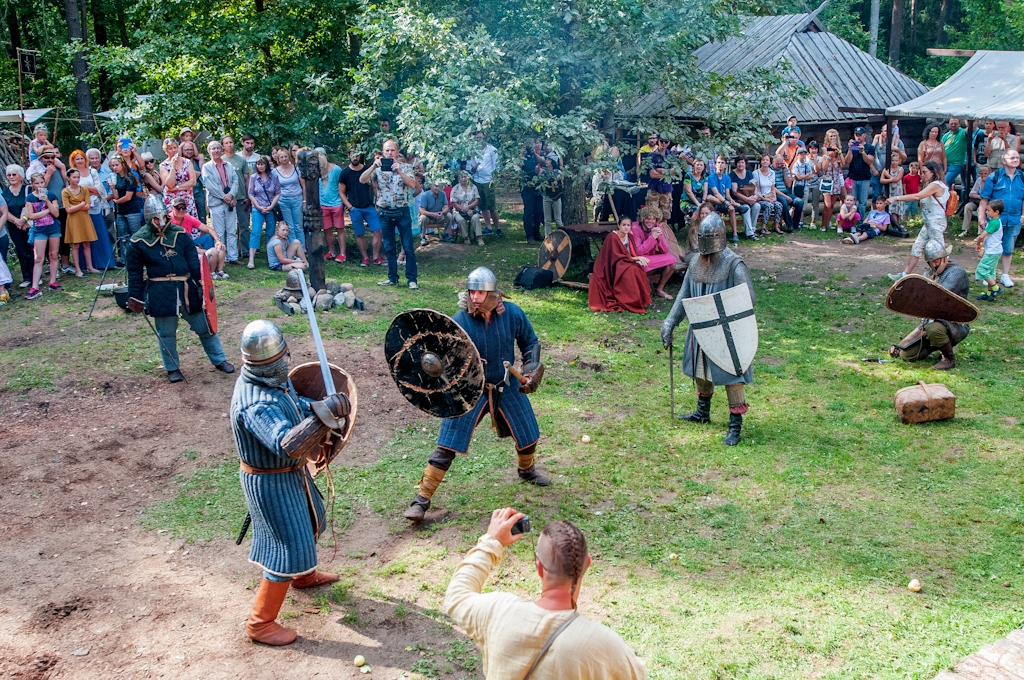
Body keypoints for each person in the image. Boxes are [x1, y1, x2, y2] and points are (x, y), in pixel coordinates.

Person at [232, 319, 349, 646]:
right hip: (270, 482)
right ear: (259, 364)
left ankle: (304, 575)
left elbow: (293, 402)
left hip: (289, 473)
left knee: (311, 520)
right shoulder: (257, 402)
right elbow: (288, 443)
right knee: (284, 548)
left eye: (283, 358)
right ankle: (260, 623)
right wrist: (324, 418)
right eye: (276, 361)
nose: (283, 364)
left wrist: (318, 407)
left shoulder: (273, 382)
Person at [404, 267, 547, 520]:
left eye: (480, 291)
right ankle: (421, 500)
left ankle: (526, 471)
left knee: (528, 435)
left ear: (493, 292)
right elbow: (442, 356)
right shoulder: (460, 318)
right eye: (472, 291)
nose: (475, 297)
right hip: (470, 388)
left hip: (506, 384)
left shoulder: (513, 314)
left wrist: (532, 370)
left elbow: (530, 342)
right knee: (447, 445)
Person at [443, 507, 648, 679]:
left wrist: (491, 542)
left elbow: (456, 596)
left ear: (539, 568)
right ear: (588, 564)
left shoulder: (497, 612)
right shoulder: (604, 645)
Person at [662, 213, 754, 446]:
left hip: (727, 332)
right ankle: (702, 412)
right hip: (700, 328)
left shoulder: (734, 264)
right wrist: (670, 322)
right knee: (701, 369)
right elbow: (684, 296)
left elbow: (748, 298)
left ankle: (735, 426)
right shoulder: (694, 262)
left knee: (732, 376)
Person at [126, 195, 234, 383]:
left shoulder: (180, 234)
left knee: (205, 327)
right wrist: (135, 297)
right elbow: (134, 273)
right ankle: (172, 368)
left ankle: (219, 359)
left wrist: (201, 285)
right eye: (155, 219)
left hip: (186, 288)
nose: (160, 222)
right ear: (149, 219)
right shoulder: (138, 241)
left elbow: (194, 263)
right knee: (166, 332)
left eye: (162, 217)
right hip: (161, 292)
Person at [888, 239, 969, 370]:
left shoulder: (957, 273)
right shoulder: (928, 274)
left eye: (937, 260)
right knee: (906, 355)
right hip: (931, 321)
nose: (935, 264)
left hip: (954, 323)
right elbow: (924, 304)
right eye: (932, 261)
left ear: (944, 258)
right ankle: (938, 344)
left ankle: (948, 359)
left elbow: (939, 298)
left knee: (933, 329)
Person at [360, 140, 419, 288]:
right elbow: (362, 180)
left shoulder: (405, 167)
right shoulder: (377, 169)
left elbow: (413, 185)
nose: (389, 153)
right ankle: (393, 277)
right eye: (387, 150)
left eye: (392, 150)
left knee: (408, 246)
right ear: (383, 151)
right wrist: (373, 165)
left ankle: (412, 279)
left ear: (397, 152)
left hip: (402, 211)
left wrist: (399, 170)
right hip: (385, 212)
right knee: (389, 246)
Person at [887, 161, 950, 280]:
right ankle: (905, 275)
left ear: (933, 172)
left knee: (939, 252)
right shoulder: (930, 185)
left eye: (925, 172)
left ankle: (946, 276)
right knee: (917, 247)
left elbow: (917, 196)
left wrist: (896, 198)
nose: (922, 174)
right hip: (928, 223)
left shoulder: (936, 185)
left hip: (936, 222)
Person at [976, 149, 1024, 288]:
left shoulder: (1022, 177)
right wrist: (981, 217)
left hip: (1014, 219)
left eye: (1017, 157)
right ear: (1004, 161)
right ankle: (989, 274)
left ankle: (1005, 275)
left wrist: (1023, 216)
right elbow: (984, 199)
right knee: (991, 247)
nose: (1015, 159)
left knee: (1008, 247)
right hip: (996, 220)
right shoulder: (994, 177)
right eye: (1012, 157)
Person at [588, 216, 654, 314]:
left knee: (637, 269)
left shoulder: (630, 236)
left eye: (628, 225)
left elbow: (630, 253)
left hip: (624, 261)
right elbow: (615, 256)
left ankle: (640, 300)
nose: (626, 227)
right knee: (631, 271)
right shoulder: (612, 237)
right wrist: (636, 258)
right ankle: (628, 300)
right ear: (619, 226)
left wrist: (636, 260)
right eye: (623, 225)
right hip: (610, 265)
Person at [27, 146, 71, 274]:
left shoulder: (59, 168)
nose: (50, 160)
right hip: (47, 209)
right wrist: (48, 174)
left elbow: (66, 183)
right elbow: (41, 189)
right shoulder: (39, 172)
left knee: (63, 236)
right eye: (47, 157)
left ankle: (65, 264)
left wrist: (61, 168)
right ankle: (51, 266)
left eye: (53, 157)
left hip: (61, 206)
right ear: (41, 159)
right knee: (47, 238)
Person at [69, 149, 114, 271]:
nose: (80, 161)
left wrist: (82, 188)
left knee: (98, 234)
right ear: (73, 161)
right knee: (84, 237)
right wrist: (88, 190)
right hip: (81, 209)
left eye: (81, 158)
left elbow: (99, 189)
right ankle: (86, 265)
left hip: (95, 207)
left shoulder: (92, 171)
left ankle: (103, 262)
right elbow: (72, 191)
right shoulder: (72, 173)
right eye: (77, 159)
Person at [340, 149, 383, 266]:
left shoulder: (367, 170)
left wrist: (378, 202)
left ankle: (376, 257)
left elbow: (375, 187)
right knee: (359, 234)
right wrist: (349, 206)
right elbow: (341, 192)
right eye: (353, 155)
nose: (355, 157)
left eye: (357, 155)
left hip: (369, 206)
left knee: (378, 230)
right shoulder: (345, 173)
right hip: (355, 208)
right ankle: (365, 257)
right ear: (349, 155)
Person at [202, 140, 241, 265]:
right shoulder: (206, 167)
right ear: (209, 152)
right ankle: (221, 258)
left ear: (221, 150)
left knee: (231, 230)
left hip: (229, 203)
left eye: (218, 148)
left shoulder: (228, 166)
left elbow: (236, 181)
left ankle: (233, 257)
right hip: (216, 203)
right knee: (219, 232)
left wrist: (231, 195)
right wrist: (224, 196)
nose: (216, 151)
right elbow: (210, 185)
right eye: (213, 149)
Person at [169, 196, 227, 278]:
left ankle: (217, 268)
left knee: (211, 239)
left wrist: (218, 241)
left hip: (190, 243)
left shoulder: (188, 218)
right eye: (178, 208)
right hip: (178, 247)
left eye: (183, 207)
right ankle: (210, 267)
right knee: (212, 251)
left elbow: (209, 229)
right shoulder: (168, 220)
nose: (181, 210)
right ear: (172, 208)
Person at [630, 208, 679, 299]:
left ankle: (659, 290)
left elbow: (665, 250)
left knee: (672, 260)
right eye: (647, 218)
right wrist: (652, 238)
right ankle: (643, 290)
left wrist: (659, 238)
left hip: (651, 256)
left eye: (653, 219)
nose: (650, 221)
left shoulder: (657, 226)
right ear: (642, 218)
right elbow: (638, 252)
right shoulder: (635, 228)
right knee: (641, 264)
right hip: (638, 258)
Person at [62, 168, 100, 277]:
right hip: (73, 219)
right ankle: (78, 270)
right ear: (68, 178)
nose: (77, 179)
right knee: (75, 244)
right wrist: (81, 204)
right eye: (74, 177)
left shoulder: (84, 189)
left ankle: (90, 266)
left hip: (84, 218)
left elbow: (88, 206)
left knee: (87, 242)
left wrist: (76, 206)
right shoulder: (65, 191)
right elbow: (68, 209)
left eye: (78, 177)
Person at [107, 154, 143, 265]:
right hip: (121, 211)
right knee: (122, 236)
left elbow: (128, 197)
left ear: (122, 164)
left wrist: (117, 202)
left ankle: (140, 258)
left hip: (132, 210)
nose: (114, 167)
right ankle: (125, 259)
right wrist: (112, 188)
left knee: (135, 234)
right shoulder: (115, 178)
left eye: (116, 165)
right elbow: (116, 196)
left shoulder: (130, 177)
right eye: (112, 165)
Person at [246, 155, 280, 269]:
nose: (260, 166)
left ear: (266, 165)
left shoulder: (274, 177)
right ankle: (251, 259)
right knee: (256, 232)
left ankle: (271, 258)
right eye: (258, 164)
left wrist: (271, 206)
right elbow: (250, 193)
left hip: (270, 207)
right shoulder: (253, 177)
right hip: (258, 207)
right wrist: (258, 206)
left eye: (262, 164)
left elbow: (277, 193)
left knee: (271, 233)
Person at [3, 165, 34, 287]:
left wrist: (24, 219)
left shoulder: (28, 189)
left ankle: (35, 275)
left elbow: (32, 204)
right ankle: (26, 277)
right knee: (21, 250)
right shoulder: (5, 193)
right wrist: (17, 221)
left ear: (20, 176)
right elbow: (4, 210)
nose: (11, 177)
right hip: (13, 226)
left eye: (14, 174)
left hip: (29, 224)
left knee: (31, 250)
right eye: (9, 175)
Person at [468, 131, 501, 236]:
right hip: (477, 180)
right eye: (477, 138)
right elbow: (471, 167)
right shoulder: (473, 150)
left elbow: (497, 165)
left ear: (485, 137)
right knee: (483, 205)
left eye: (480, 137)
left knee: (492, 206)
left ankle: (498, 228)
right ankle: (488, 227)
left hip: (488, 181)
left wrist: (494, 178)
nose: (479, 140)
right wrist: (473, 168)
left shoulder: (492, 149)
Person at [315, 151, 346, 261]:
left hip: (336, 203)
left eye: (321, 155)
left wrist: (343, 201)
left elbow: (343, 185)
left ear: (326, 156)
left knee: (340, 229)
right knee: (327, 229)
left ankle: (342, 254)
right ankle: (331, 252)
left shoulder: (336, 169)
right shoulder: (316, 170)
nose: (319, 157)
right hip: (323, 204)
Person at [707, 156, 746, 243]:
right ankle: (737, 206)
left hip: (724, 201)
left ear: (725, 165)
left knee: (731, 210)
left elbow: (727, 194)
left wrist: (730, 200)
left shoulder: (727, 178)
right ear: (715, 164)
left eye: (722, 163)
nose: (720, 165)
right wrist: (727, 203)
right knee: (710, 197)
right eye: (718, 163)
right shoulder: (711, 177)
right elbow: (716, 193)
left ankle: (735, 234)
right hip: (714, 203)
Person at [222, 136, 252, 247]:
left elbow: (246, 178)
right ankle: (228, 249)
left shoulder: (241, 160)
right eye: (226, 143)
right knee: (227, 226)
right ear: (223, 146)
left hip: (241, 197)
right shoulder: (221, 160)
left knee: (244, 225)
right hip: (226, 198)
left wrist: (248, 196)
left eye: (231, 142)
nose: (229, 144)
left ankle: (244, 250)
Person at [273, 148, 305, 247]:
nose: (284, 159)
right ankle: (293, 248)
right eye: (281, 157)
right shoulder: (275, 171)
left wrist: (304, 201)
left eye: (285, 156)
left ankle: (302, 247)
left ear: (289, 156)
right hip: (283, 201)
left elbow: (303, 185)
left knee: (298, 226)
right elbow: (275, 188)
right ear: (278, 159)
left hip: (297, 199)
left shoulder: (296, 168)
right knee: (289, 226)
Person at [160, 138, 198, 220]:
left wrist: (176, 188)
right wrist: (173, 167)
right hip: (172, 201)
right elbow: (170, 185)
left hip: (187, 199)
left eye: (175, 147)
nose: (173, 150)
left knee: (191, 225)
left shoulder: (187, 162)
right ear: (166, 151)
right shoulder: (163, 165)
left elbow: (192, 181)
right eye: (170, 148)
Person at [974, 200, 1005, 300]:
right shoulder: (996, 222)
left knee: (981, 269)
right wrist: (983, 248)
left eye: (988, 210)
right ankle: (989, 294)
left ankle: (996, 288)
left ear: (997, 212)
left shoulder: (994, 223)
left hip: (992, 251)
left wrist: (978, 243)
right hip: (995, 251)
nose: (986, 212)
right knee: (990, 272)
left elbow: (982, 236)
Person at [844, 127, 875, 219]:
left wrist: (862, 151)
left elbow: (870, 161)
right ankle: (851, 221)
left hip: (865, 178)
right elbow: (847, 161)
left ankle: (860, 221)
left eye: (860, 135)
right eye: (856, 135)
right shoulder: (852, 147)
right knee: (851, 202)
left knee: (862, 203)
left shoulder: (870, 147)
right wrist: (850, 149)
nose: (858, 137)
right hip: (853, 178)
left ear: (864, 135)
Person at [771, 153, 804, 232]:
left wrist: (784, 172)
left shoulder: (785, 169)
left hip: (785, 192)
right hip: (775, 194)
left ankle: (795, 224)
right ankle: (789, 224)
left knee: (800, 202)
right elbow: (773, 188)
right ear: (773, 162)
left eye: (781, 163)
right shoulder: (770, 170)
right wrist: (785, 197)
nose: (779, 165)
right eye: (777, 163)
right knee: (783, 201)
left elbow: (788, 184)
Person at [729, 156, 759, 240]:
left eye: (742, 162)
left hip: (750, 198)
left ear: (745, 164)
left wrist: (755, 196)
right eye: (739, 162)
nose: (740, 164)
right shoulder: (733, 174)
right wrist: (747, 200)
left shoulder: (749, 173)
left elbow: (754, 186)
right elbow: (735, 192)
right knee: (746, 208)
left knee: (757, 206)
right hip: (738, 200)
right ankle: (749, 233)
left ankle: (753, 230)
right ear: (736, 164)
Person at [450, 172, 484, 246]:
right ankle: (466, 237)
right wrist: (464, 209)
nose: (463, 179)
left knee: (475, 218)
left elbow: (477, 200)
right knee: (460, 219)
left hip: (472, 209)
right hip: (459, 210)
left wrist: (469, 207)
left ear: (468, 178)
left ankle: (479, 238)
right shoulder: (455, 188)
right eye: (461, 177)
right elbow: (454, 203)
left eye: (465, 177)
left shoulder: (473, 187)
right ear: (459, 179)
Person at [752, 154, 783, 235]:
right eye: (763, 160)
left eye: (767, 160)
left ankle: (776, 226)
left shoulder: (772, 173)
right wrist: (764, 199)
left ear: (770, 162)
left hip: (770, 196)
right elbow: (754, 190)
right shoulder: (755, 173)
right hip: (760, 197)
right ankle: (763, 227)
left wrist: (774, 198)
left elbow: (773, 188)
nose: (765, 161)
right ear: (761, 162)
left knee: (779, 205)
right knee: (769, 206)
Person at [958, 164, 992, 238]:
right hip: (978, 201)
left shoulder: (992, 180)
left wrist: (984, 198)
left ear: (989, 173)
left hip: (988, 203)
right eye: (981, 173)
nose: (983, 175)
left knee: (981, 210)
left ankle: (980, 233)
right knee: (967, 207)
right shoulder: (979, 180)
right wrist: (980, 197)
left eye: (985, 173)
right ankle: (965, 230)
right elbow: (972, 193)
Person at [521, 141, 545, 243]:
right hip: (527, 186)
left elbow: (543, 162)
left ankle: (537, 233)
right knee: (529, 211)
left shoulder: (541, 154)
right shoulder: (524, 155)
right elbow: (519, 164)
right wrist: (523, 152)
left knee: (538, 211)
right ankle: (529, 235)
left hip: (538, 186)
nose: (537, 144)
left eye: (539, 142)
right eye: (535, 142)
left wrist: (535, 153)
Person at [817, 142, 845, 231]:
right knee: (827, 205)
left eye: (834, 149)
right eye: (831, 149)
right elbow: (824, 169)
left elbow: (843, 163)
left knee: (832, 205)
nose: (832, 151)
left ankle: (828, 223)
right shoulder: (825, 157)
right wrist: (828, 157)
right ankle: (823, 225)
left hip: (836, 183)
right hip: (827, 183)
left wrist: (839, 153)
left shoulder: (838, 158)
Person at [180, 141, 207, 224]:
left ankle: (203, 236)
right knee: (186, 220)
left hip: (198, 193)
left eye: (191, 149)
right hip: (185, 195)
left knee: (202, 219)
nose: (189, 151)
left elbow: (204, 174)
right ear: (182, 151)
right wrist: (194, 174)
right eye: (187, 149)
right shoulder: (179, 163)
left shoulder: (197, 161)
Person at [797, 143, 821, 228]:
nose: (813, 150)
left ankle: (813, 222)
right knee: (803, 202)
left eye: (815, 148)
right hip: (805, 183)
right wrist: (808, 175)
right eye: (811, 148)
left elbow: (818, 171)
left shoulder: (819, 159)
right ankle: (800, 220)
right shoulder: (805, 159)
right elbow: (803, 171)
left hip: (816, 183)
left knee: (815, 203)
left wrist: (814, 160)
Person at [942, 118, 969, 188]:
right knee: (949, 187)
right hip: (944, 165)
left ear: (959, 124)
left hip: (956, 164)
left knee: (943, 183)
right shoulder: (946, 136)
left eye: (955, 124)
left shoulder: (962, 132)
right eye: (951, 123)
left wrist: (968, 121)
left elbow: (968, 130)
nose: (953, 125)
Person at [880, 153, 905, 223]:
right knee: (892, 208)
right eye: (893, 160)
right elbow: (881, 180)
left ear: (899, 161)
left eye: (896, 160)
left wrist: (888, 175)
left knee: (898, 208)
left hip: (898, 190)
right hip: (890, 190)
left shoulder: (901, 169)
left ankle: (898, 224)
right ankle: (894, 224)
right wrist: (890, 180)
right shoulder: (887, 169)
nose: (894, 162)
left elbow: (897, 179)